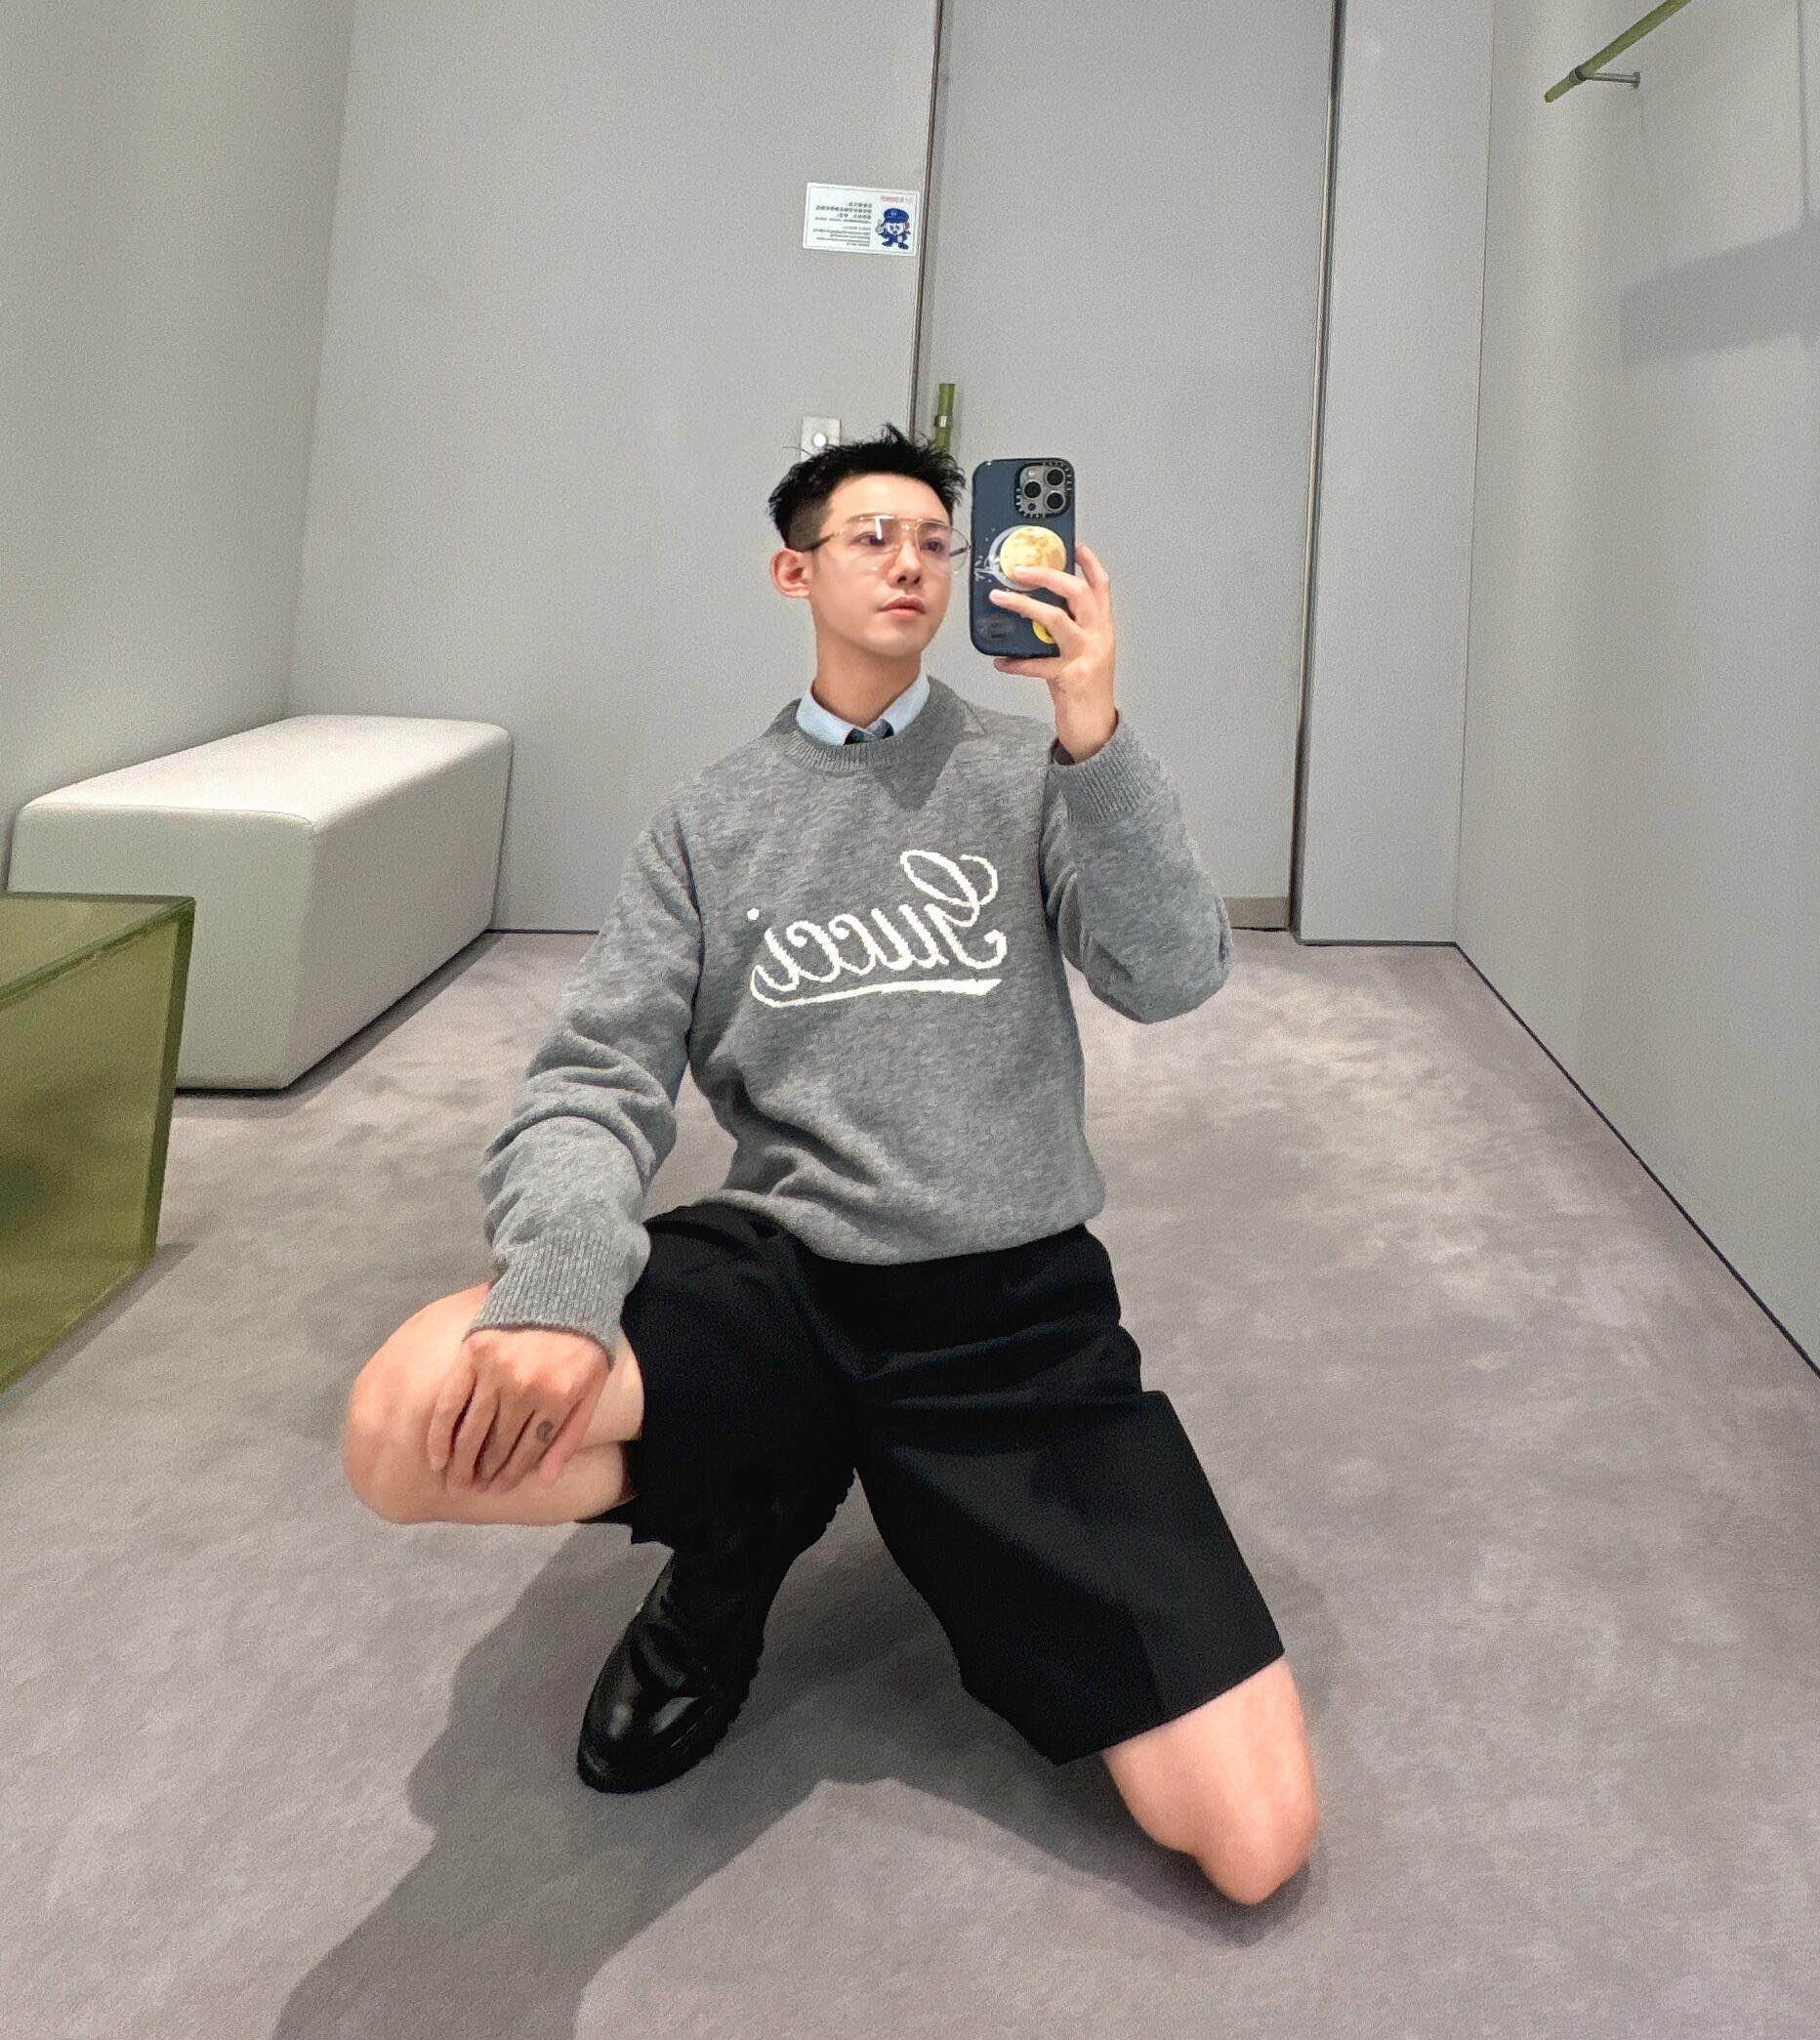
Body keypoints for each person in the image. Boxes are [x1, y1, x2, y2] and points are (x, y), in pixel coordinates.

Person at [342, 424, 1319, 1906]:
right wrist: (559, 1286)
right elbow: (593, 1082)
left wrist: (1095, 730)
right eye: (872, 536)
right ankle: (745, 1522)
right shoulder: (709, 820)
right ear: (793, 573)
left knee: (1255, 1841)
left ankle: (833, 1482)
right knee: (408, 1423)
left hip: (1011, 1319)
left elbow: (1174, 971)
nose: (910, 562)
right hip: (787, 1280)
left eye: (935, 539)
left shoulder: (1035, 773)